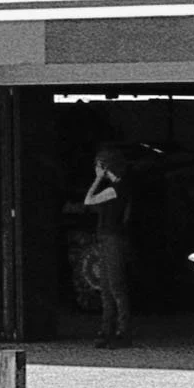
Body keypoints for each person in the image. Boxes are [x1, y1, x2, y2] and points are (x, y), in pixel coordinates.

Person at [81, 146, 135, 348]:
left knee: (115, 286)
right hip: (109, 238)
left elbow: (89, 200)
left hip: (112, 238)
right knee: (107, 286)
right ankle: (109, 330)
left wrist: (97, 179)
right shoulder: (120, 187)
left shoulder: (114, 189)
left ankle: (121, 331)